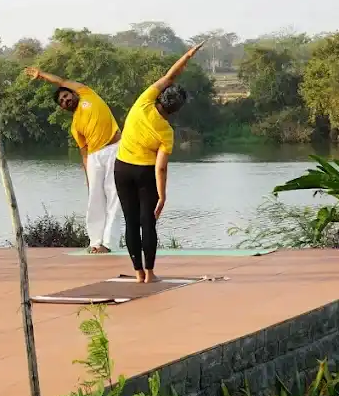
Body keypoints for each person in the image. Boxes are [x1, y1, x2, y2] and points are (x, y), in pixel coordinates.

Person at [114, 40, 207, 283]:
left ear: (161, 97)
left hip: (122, 169)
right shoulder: (166, 132)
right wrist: (162, 196)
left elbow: (169, 76)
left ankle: (138, 273)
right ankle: (150, 273)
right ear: (176, 110)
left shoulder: (143, 103)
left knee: (131, 222)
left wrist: (187, 55)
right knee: (148, 223)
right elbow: (161, 167)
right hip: (145, 174)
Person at [23, 67, 122, 253]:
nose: (65, 101)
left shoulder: (87, 94)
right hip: (94, 157)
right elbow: (84, 153)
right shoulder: (75, 126)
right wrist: (88, 178)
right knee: (95, 199)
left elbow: (61, 81)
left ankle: (109, 244)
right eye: (61, 101)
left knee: (114, 196)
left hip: (114, 149)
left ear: (73, 93)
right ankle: (95, 242)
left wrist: (41, 75)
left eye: (66, 96)